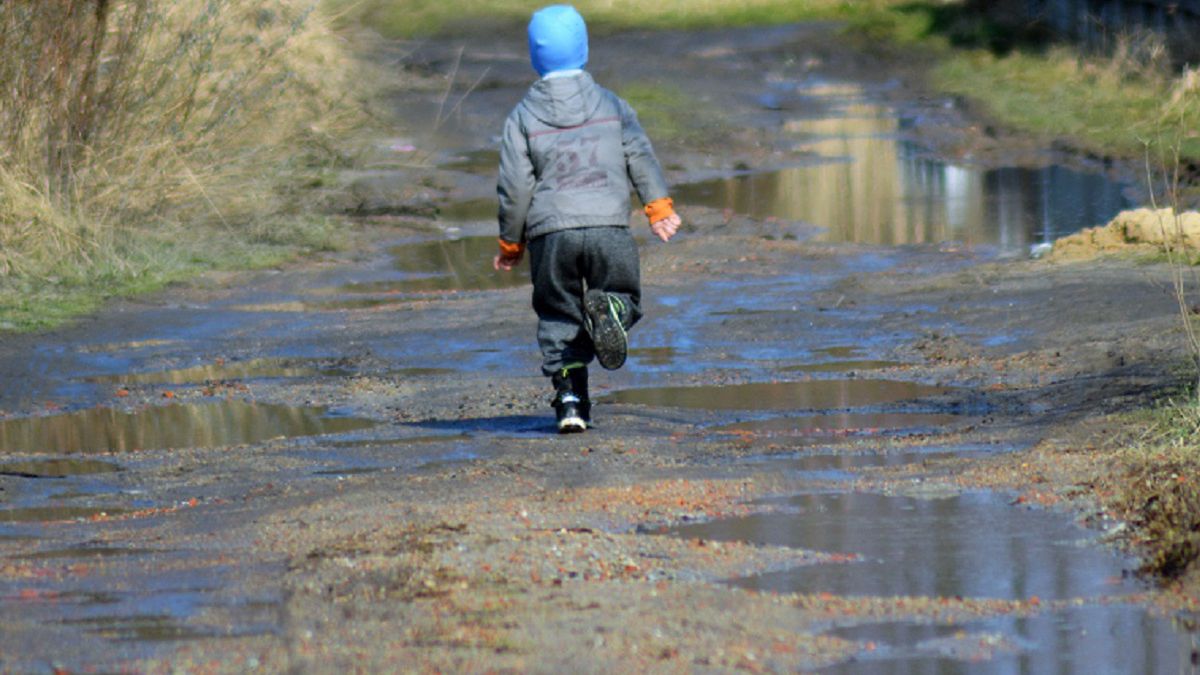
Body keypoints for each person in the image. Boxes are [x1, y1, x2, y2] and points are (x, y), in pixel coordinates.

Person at [493, 4, 681, 433]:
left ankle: (571, 403)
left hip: (551, 235)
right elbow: (638, 154)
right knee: (621, 295)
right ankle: (613, 305)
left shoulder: (521, 117)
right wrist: (658, 207)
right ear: (584, 49)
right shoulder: (612, 105)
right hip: (607, 226)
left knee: (559, 318)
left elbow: (515, 186)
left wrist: (510, 242)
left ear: (534, 55)